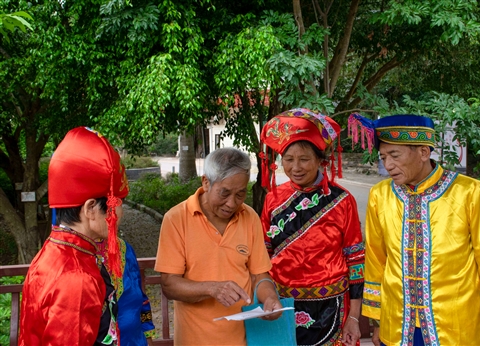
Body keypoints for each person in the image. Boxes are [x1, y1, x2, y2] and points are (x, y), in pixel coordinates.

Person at [349, 113, 480, 345]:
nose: (388, 165)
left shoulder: (471, 192)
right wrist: (378, 320)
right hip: (398, 327)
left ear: (423, 152)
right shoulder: (380, 195)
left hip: (456, 329)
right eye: (383, 156)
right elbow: (377, 262)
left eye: (395, 155)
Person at [154, 147, 282, 345]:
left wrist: (270, 298)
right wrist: (212, 289)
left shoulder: (249, 218)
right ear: (206, 182)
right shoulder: (176, 219)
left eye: (240, 194)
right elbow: (170, 285)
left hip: (243, 338)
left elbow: (260, 275)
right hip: (194, 339)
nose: (232, 203)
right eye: (225, 193)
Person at [259, 108, 365, 346]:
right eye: (288, 159)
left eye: (304, 159)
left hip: (332, 305)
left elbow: (356, 260)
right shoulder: (273, 199)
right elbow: (262, 255)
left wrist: (355, 318)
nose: (296, 167)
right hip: (282, 304)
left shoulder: (341, 200)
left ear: (320, 160)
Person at [19, 126, 128, 345]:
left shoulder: (53, 250)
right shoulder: (77, 277)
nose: (121, 213)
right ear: (90, 209)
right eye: (117, 204)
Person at [97, 237, 156, 346]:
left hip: (134, 341)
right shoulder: (73, 254)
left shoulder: (125, 250)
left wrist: (148, 336)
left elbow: (141, 299)